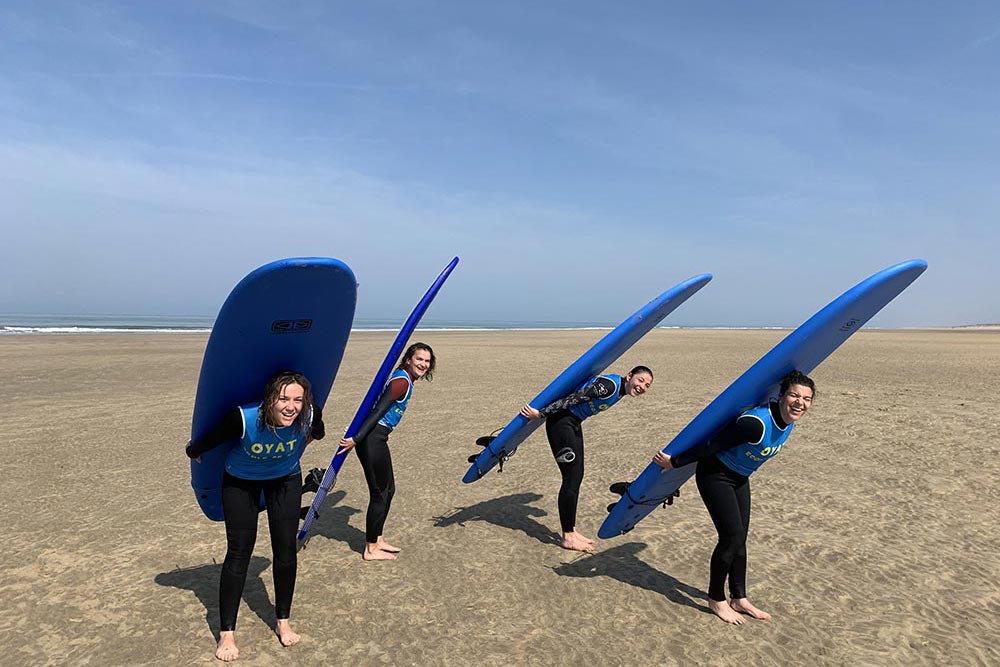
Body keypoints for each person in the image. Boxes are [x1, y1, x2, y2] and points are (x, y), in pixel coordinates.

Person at [653, 370, 815, 625]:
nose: (800, 402)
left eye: (806, 399)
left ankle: (739, 597)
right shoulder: (754, 424)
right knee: (730, 537)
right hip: (715, 475)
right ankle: (716, 599)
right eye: (794, 395)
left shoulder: (790, 421)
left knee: (740, 538)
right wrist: (675, 462)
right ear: (781, 396)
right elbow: (712, 445)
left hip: (740, 478)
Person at [186, 371, 325, 661]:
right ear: (269, 399)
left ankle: (283, 622)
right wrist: (194, 451)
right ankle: (227, 634)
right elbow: (206, 441)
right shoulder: (244, 418)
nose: (291, 406)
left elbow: (318, 432)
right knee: (239, 553)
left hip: (285, 479)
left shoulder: (309, 413)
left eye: (298, 399)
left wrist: (299, 447)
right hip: (240, 483)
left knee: (286, 550)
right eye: (283, 398)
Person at [520, 366, 654, 552]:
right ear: (629, 375)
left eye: (647, 385)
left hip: (573, 423)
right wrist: (541, 414)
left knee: (577, 476)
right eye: (640, 380)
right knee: (571, 478)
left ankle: (571, 531)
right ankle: (568, 536)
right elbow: (573, 399)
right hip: (561, 422)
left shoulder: (620, 390)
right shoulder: (609, 386)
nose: (642, 387)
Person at [336, 342, 435, 561]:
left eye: (427, 361)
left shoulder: (405, 379)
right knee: (379, 493)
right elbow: (379, 409)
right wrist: (356, 438)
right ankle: (371, 548)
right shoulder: (401, 381)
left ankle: (377, 537)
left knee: (389, 490)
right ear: (408, 359)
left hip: (377, 437)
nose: (423, 364)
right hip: (372, 439)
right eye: (419, 359)